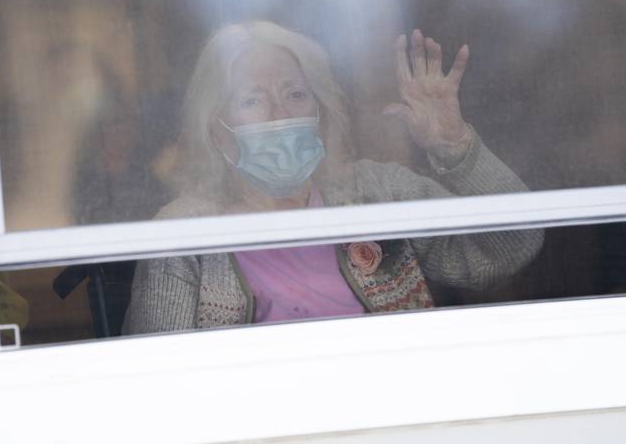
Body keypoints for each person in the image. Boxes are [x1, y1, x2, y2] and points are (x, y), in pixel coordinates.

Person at [125, 21, 543, 334]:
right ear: (217, 131)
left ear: (319, 113)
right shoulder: (183, 237)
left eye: (295, 94)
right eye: (253, 99)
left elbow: (512, 245)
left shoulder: (375, 194)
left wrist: (454, 145)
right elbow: (157, 382)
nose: (280, 112)